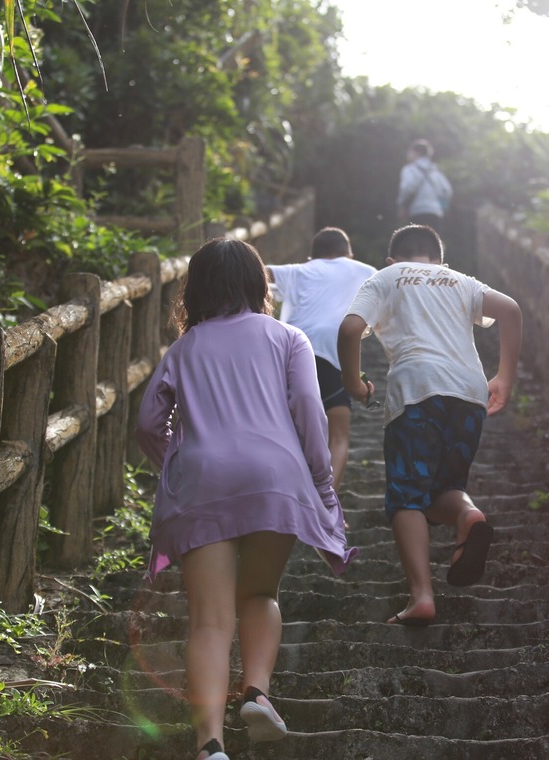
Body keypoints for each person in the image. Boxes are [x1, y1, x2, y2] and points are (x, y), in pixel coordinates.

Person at [134, 238, 358, 760]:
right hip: (274, 478)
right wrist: (322, 486)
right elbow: (310, 411)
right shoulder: (288, 337)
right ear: (259, 285)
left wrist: (175, 464)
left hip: (202, 480)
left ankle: (210, 745)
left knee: (210, 620)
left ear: (194, 290)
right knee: (259, 594)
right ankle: (257, 693)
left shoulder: (183, 350)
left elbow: (147, 424)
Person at [337, 224, 522, 626]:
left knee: (406, 497)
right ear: (440, 261)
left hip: (417, 393)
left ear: (391, 260)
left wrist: (353, 384)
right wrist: (504, 377)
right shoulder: (459, 279)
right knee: (441, 489)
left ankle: (421, 596)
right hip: (470, 394)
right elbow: (510, 309)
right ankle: (467, 515)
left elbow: (350, 329)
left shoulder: (386, 276)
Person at [266, 227, 377, 493]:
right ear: (349, 255)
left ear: (312, 257)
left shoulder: (299, 271)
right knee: (338, 438)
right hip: (335, 352)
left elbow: (256, 270)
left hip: (291, 352)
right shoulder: (367, 271)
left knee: (289, 432)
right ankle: (326, 502)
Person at [396, 138, 452, 232]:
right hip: (435, 213)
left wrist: (402, 205)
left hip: (417, 212)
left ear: (416, 152)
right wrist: (442, 207)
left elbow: (407, 189)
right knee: (434, 240)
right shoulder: (436, 171)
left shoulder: (410, 169)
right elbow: (447, 191)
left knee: (417, 240)